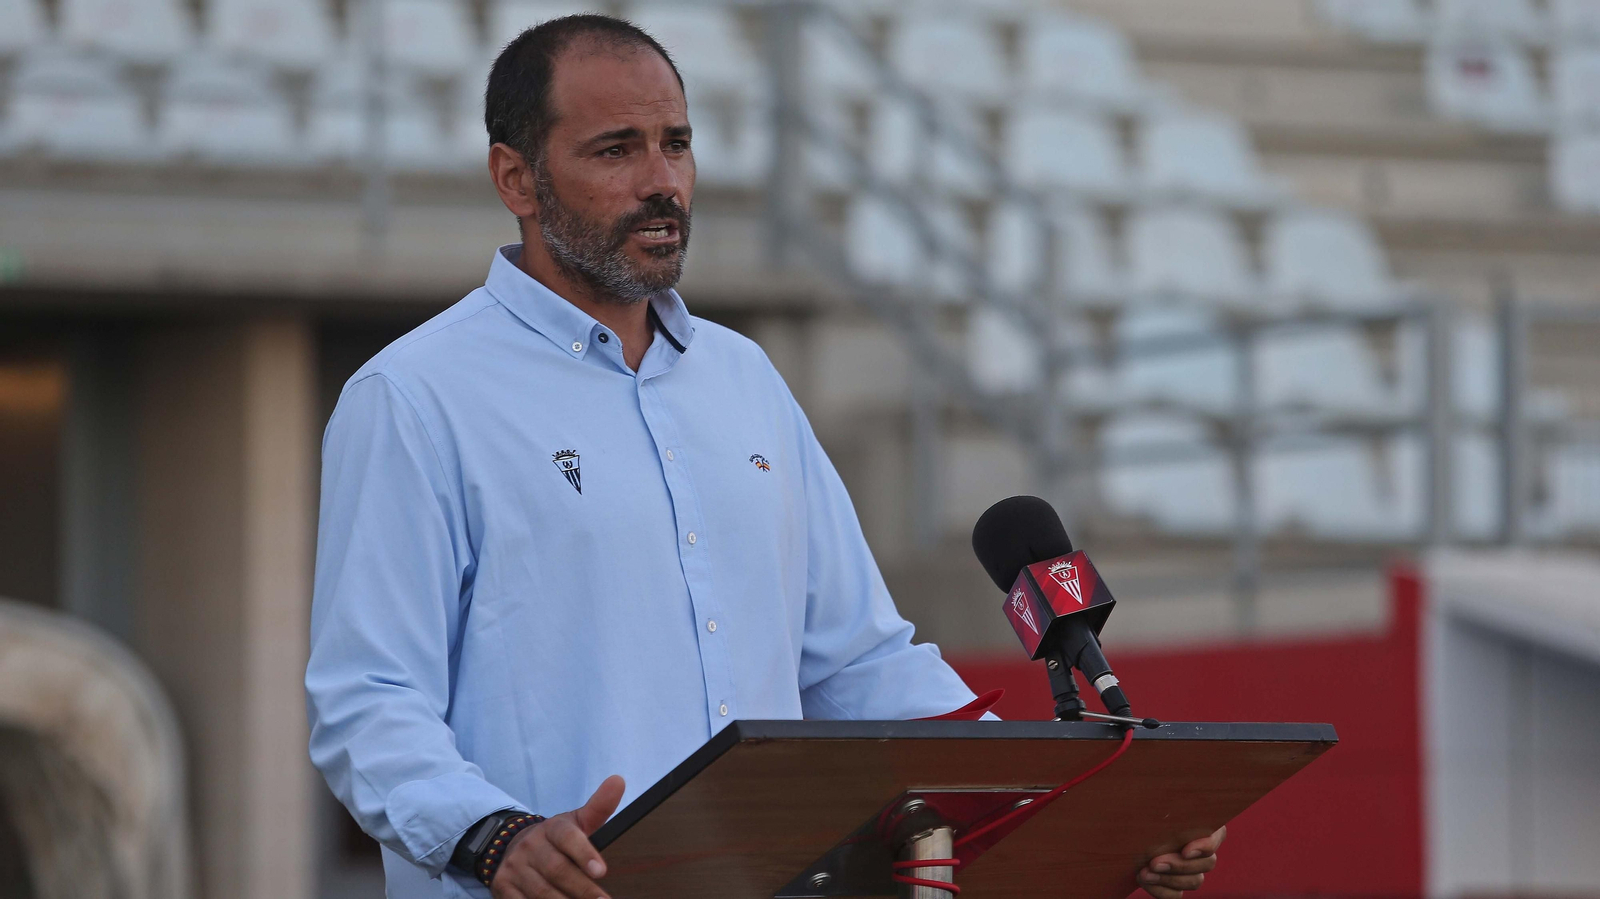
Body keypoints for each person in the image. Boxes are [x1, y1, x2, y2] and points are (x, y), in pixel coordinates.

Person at [305, 14, 1224, 899]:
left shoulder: (743, 377)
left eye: (677, 144)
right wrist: (494, 834)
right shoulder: (414, 396)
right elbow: (367, 698)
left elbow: (855, 663)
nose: (662, 182)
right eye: (616, 150)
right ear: (516, 178)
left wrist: (1070, 804)